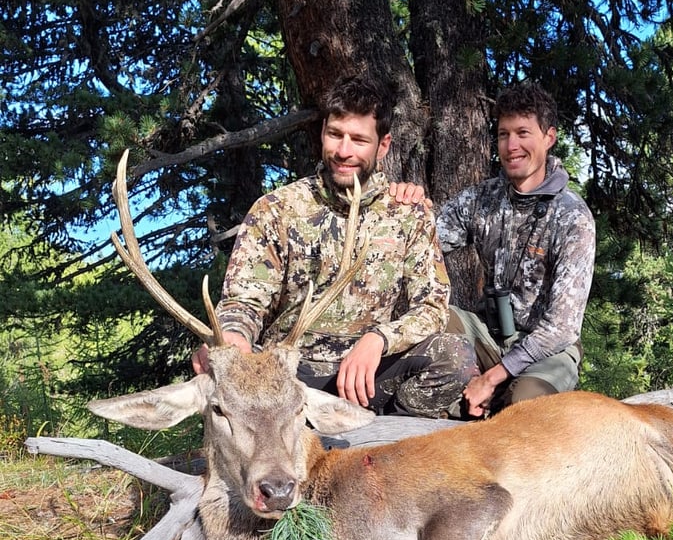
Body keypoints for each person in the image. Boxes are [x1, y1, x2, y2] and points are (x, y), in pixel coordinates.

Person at [192, 75, 476, 418]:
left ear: (383, 146)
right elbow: (243, 301)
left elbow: (431, 307)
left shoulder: (408, 213)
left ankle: (392, 439)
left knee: (454, 356)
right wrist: (233, 336)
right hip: (290, 375)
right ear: (322, 133)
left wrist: (379, 339)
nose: (344, 151)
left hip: (371, 374)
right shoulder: (278, 209)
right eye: (335, 134)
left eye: (358, 139)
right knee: (228, 365)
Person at [436, 82, 596, 418]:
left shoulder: (573, 217)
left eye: (523, 133)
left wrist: (492, 378)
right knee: (436, 319)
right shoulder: (482, 198)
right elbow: (425, 240)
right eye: (503, 134)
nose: (512, 146)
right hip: (489, 336)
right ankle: (458, 401)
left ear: (548, 137)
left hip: (546, 351)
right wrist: (405, 205)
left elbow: (561, 329)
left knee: (525, 412)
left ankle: (492, 397)